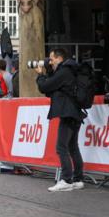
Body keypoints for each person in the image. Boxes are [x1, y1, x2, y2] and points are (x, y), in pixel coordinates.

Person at [35, 48, 85, 192]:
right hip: (75, 112)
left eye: (51, 59)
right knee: (72, 146)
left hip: (68, 113)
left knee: (61, 147)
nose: (49, 62)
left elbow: (44, 86)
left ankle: (66, 180)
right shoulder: (69, 70)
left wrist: (40, 75)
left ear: (59, 58)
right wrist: (48, 74)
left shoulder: (64, 72)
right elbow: (51, 89)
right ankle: (78, 179)